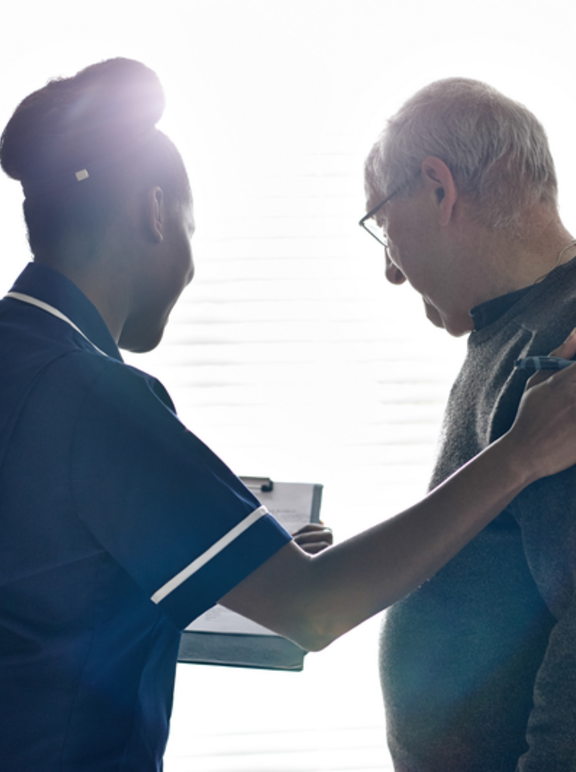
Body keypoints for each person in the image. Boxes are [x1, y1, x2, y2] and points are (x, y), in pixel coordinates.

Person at [1, 62, 576, 772]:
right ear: (154, 213)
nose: (189, 264)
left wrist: (231, 558)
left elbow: (48, 588)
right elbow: (311, 610)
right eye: (188, 229)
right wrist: (520, 454)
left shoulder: (24, 361)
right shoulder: (92, 396)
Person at [362, 77, 576, 772]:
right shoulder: (509, 332)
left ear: (436, 187)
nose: (391, 272)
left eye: (380, 223)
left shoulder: (564, 338)